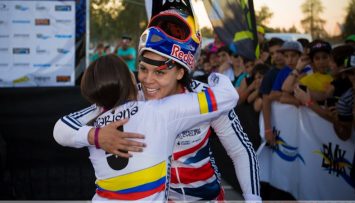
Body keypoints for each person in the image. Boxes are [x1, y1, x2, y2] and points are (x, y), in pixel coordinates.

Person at [53, 8, 261, 202]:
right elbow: (63, 128)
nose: (148, 80)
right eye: (143, 69)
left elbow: (241, 151)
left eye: (160, 72)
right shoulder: (129, 95)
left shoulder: (204, 95)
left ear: (180, 72)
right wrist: (95, 136)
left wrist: (253, 199)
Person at [54, 53, 238, 202]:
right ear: (129, 80)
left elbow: (59, 130)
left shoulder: (94, 120)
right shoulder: (161, 111)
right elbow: (229, 96)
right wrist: (216, 77)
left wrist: (95, 136)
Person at [259, 37, 285, 145]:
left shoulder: (297, 70)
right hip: (279, 124)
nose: (276, 56)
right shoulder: (270, 75)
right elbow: (265, 103)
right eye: (272, 53)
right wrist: (268, 129)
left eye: (279, 51)